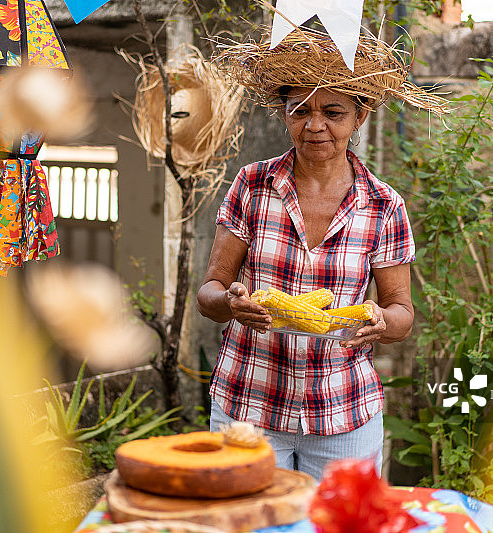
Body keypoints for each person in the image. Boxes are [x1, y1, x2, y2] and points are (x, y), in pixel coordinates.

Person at [197, 26, 447, 481]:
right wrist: (231, 303)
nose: (315, 125)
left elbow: (402, 314)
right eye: (299, 110)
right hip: (249, 406)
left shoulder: (384, 204)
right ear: (284, 112)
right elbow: (209, 293)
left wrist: (379, 321)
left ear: (360, 116)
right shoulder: (251, 185)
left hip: (343, 412)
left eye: (333, 111)